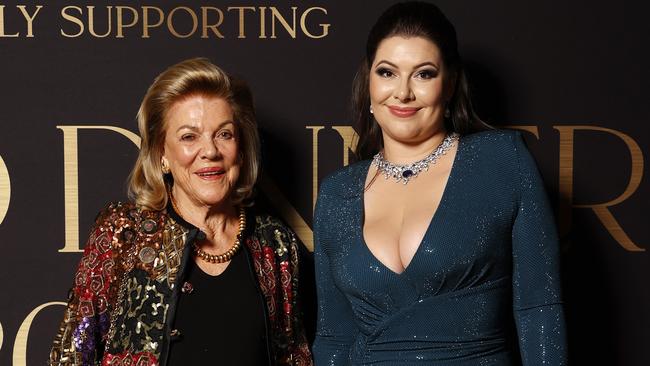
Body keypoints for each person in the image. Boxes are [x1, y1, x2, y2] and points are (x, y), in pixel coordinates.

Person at [312, 2, 567, 365]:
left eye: (424, 74)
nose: (402, 92)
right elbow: (333, 338)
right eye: (387, 73)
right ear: (368, 83)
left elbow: (539, 310)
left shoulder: (500, 161)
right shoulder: (337, 194)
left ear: (449, 86)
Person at [49, 58, 312, 366]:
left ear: (240, 148)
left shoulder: (274, 243)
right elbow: (72, 356)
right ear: (162, 154)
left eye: (224, 134)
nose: (210, 151)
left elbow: (295, 358)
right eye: (189, 136)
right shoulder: (124, 234)